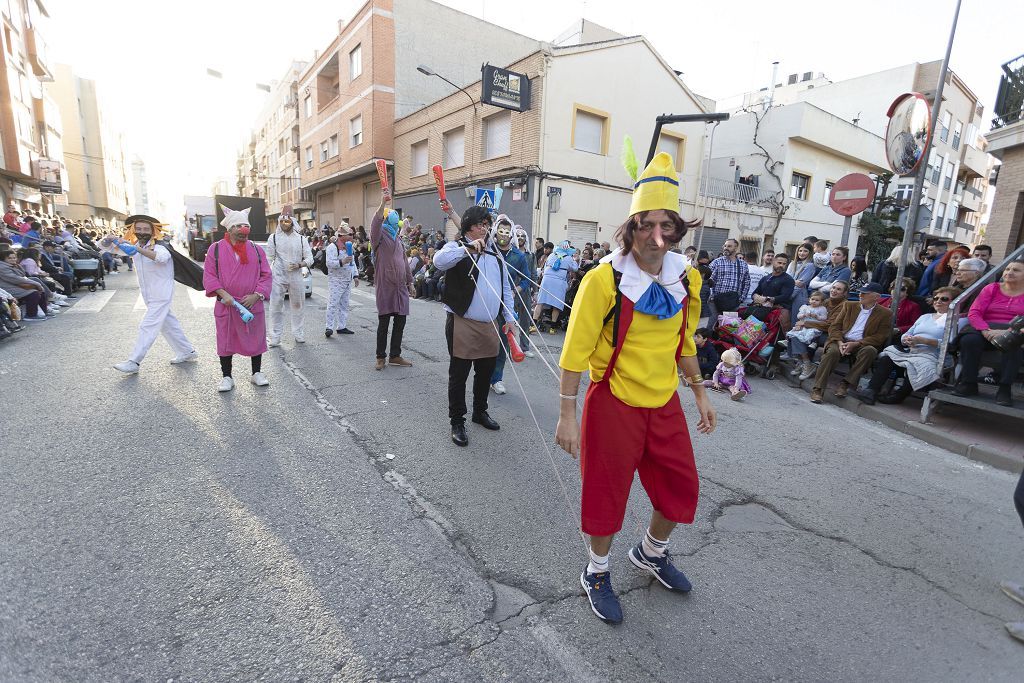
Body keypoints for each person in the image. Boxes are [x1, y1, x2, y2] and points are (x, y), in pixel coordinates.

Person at [555, 152, 714, 624]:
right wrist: (568, 413)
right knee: (606, 493)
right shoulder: (603, 280)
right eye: (646, 225)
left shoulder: (688, 277)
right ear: (630, 227)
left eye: (667, 226)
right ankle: (597, 571)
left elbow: (684, 340)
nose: (657, 237)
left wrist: (700, 392)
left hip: (663, 400)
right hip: (614, 400)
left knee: (679, 487)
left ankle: (650, 552)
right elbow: (574, 351)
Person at [433, 204, 516, 447]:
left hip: (490, 324)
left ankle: (480, 411)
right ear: (469, 226)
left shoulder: (495, 254)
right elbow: (439, 261)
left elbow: (506, 289)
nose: (487, 229)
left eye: (487, 224)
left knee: (485, 373)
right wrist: (468, 248)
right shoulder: (458, 247)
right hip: (463, 323)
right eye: (482, 224)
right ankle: (457, 420)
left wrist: (510, 318)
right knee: (459, 375)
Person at [112, 216, 198, 374]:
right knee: (168, 325)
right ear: (133, 230)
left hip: (161, 294)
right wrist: (111, 240)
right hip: (148, 295)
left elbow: (161, 258)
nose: (142, 232)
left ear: (153, 231)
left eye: (146, 229)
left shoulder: (160, 246)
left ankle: (134, 361)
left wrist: (137, 250)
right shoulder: (136, 244)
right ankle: (187, 351)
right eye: (138, 229)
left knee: (148, 325)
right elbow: (109, 248)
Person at [854, 286, 966, 405]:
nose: (938, 301)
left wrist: (924, 341)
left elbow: (951, 345)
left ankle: (899, 395)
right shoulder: (925, 317)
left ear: (954, 302)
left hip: (934, 356)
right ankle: (871, 391)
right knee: (887, 358)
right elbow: (909, 333)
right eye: (936, 298)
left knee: (919, 365)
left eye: (944, 299)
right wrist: (906, 339)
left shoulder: (959, 321)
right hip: (912, 351)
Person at [202, 206, 273, 392]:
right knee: (225, 340)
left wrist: (256, 295)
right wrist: (223, 294)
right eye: (238, 226)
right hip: (227, 305)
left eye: (246, 226)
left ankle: (256, 372)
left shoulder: (257, 250)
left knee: (256, 337)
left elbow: (266, 275)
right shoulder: (215, 249)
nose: (244, 230)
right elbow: (209, 275)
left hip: (251, 304)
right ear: (229, 229)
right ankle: (227, 376)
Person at [952, 258, 1024, 406]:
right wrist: (985, 330)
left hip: (1015, 330)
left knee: (1014, 343)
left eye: (1016, 270)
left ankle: (1004, 388)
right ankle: (968, 383)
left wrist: (1007, 331)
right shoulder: (992, 288)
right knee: (969, 340)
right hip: (985, 328)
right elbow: (975, 312)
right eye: (1007, 269)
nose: (1009, 272)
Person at [809, 282, 893, 403]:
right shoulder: (849, 305)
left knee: (870, 351)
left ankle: (846, 383)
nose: (860, 295)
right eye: (860, 292)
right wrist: (839, 342)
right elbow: (834, 327)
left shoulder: (885, 313)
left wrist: (857, 343)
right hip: (841, 340)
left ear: (876, 297)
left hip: (861, 344)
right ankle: (818, 388)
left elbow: (880, 336)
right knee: (832, 352)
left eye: (865, 293)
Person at [370, 191, 415, 370]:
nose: (397, 224)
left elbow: (405, 263)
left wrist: (410, 282)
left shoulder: (398, 240)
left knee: (400, 322)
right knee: (384, 323)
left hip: (401, 288)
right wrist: (383, 203)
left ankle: (395, 355)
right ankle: (380, 357)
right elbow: (376, 222)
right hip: (386, 287)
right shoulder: (379, 237)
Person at [490, 218, 534, 395]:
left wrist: (517, 288)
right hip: (487, 301)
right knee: (485, 341)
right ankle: (483, 375)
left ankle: (496, 379)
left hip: (508, 303)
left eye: (507, 232)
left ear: (512, 235)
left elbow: (527, 278)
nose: (503, 235)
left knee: (503, 343)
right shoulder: (489, 250)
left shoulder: (519, 256)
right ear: (495, 231)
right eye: (500, 231)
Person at [265, 211, 313, 346]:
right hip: (278, 276)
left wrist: (300, 264)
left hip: (296, 275)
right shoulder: (273, 238)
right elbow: (268, 259)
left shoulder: (301, 239)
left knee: (298, 305)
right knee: (275, 306)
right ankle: (275, 336)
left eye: (286, 221)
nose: (284, 224)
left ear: (292, 222)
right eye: (281, 221)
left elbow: (310, 258)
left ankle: (298, 332)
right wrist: (266, 276)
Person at [0, 248, 50, 320]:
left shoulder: (13, 265)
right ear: (3, 259)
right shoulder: (2, 267)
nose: (13, 259)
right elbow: (15, 279)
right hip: (8, 288)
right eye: (9, 258)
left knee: (40, 291)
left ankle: (44, 312)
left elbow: (23, 276)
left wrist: (18, 267)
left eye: (14, 257)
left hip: (16, 286)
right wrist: (36, 284)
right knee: (33, 293)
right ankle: (30, 315)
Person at [325, 229, 357, 337]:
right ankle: (329, 327)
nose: (352, 237)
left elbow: (353, 262)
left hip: (347, 280)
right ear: (341, 235)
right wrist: (342, 261)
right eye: (350, 235)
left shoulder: (349, 247)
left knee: (344, 305)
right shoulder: (332, 247)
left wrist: (356, 276)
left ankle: (341, 326)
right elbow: (329, 263)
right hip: (336, 281)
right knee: (332, 304)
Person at [750, 253, 795, 329]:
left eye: (784, 264)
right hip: (762, 309)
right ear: (773, 262)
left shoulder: (789, 279)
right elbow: (755, 293)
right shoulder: (765, 278)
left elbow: (785, 296)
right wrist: (756, 297)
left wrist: (767, 299)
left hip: (779, 311)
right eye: (779, 263)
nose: (781, 265)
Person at [708, 238, 750, 317]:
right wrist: (711, 296)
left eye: (729, 246)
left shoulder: (743, 264)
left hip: (732, 303)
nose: (726, 248)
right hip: (715, 301)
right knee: (711, 326)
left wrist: (741, 299)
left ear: (736, 248)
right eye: (725, 246)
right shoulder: (717, 262)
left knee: (729, 327)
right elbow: (708, 279)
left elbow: (747, 283)